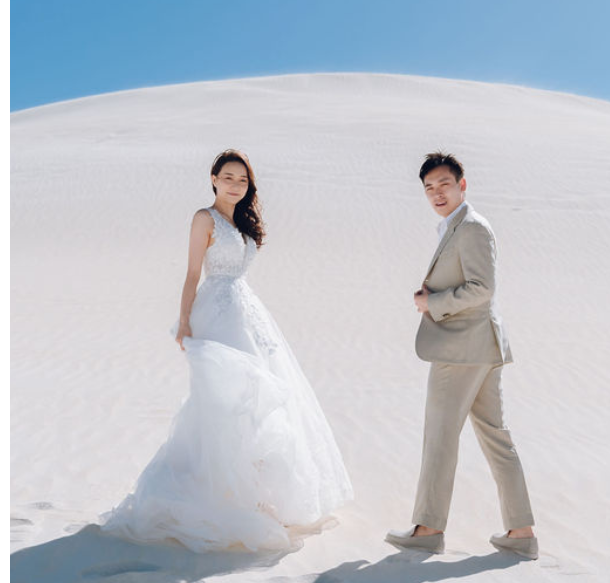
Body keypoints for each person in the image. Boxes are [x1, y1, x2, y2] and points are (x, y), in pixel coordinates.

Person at [101, 149, 352, 552]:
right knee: (224, 403)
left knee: (257, 402)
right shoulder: (205, 218)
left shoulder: (242, 221)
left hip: (248, 312)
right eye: (228, 177)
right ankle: (219, 497)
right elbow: (192, 273)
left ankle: (255, 494)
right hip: (217, 315)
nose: (235, 185)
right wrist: (184, 321)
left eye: (242, 179)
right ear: (213, 178)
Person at [385, 152, 537, 559]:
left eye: (444, 184)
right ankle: (522, 533)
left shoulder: (471, 227)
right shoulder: (454, 226)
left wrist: (432, 302)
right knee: (495, 437)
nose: (437, 193)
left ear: (462, 184)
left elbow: (481, 289)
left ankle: (428, 529)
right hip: (480, 347)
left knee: (440, 435)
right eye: (429, 188)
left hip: (463, 348)